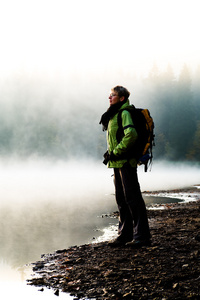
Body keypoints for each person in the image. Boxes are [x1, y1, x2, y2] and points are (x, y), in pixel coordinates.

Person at [99, 85, 151, 247]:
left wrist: (116, 152)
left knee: (132, 198)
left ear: (122, 98)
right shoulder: (113, 115)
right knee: (121, 199)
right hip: (117, 162)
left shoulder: (125, 113)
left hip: (126, 161)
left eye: (112, 95)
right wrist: (111, 154)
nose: (109, 98)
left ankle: (142, 237)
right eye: (109, 95)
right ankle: (125, 235)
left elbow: (131, 135)